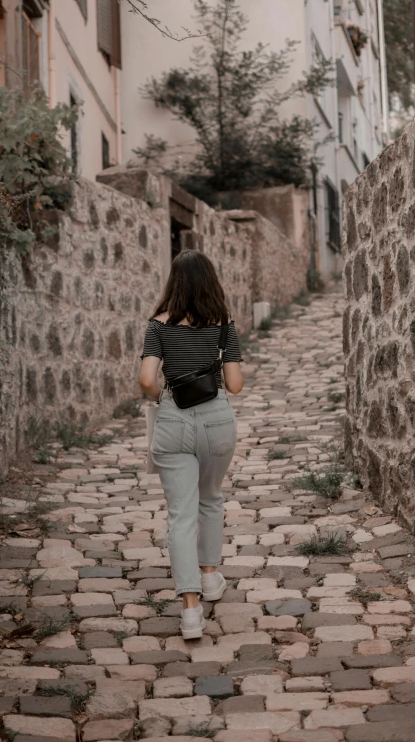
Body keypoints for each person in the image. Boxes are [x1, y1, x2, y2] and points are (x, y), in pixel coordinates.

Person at [139, 250, 244, 639]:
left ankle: (190, 611)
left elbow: (147, 379)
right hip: (217, 420)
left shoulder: (158, 325)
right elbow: (234, 384)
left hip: (173, 419)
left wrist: (160, 397)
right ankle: (211, 575)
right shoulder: (224, 326)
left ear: (174, 282)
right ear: (210, 282)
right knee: (211, 498)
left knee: (180, 515)